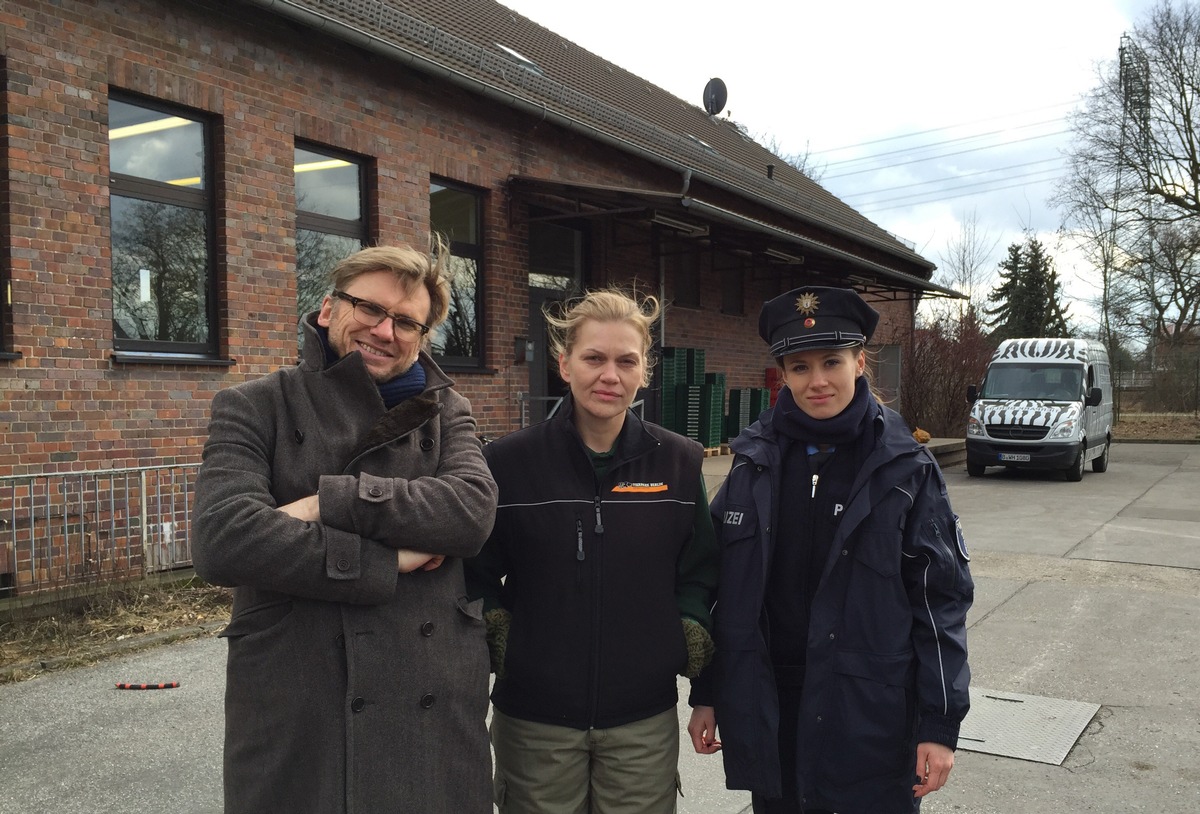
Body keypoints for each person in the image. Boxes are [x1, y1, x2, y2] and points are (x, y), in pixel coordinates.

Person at [193, 242, 498, 814]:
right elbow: (224, 539)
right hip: (300, 689)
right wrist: (389, 561)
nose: (386, 331)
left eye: (408, 321)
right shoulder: (256, 405)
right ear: (330, 308)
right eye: (370, 310)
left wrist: (324, 501)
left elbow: (470, 513)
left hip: (428, 691)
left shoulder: (447, 409)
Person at [687, 285, 973, 814]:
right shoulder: (753, 464)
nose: (816, 380)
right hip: (773, 708)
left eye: (831, 362)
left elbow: (940, 604)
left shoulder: (905, 470)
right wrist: (708, 692)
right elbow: (719, 588)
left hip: (868, 714)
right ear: (783, 375)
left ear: (860, 362)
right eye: (799, 367)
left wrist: (939, 724)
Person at [465, 289, 719, 814]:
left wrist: (688, 628)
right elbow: (476, 571)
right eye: (594, 358)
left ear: (644, 370)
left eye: (627, 361)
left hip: (641, 723)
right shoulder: (508, 464)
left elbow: (700, 570)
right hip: (535, 722)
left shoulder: (678, 463)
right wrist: (499, 634)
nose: (610, 375)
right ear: (564, 364)